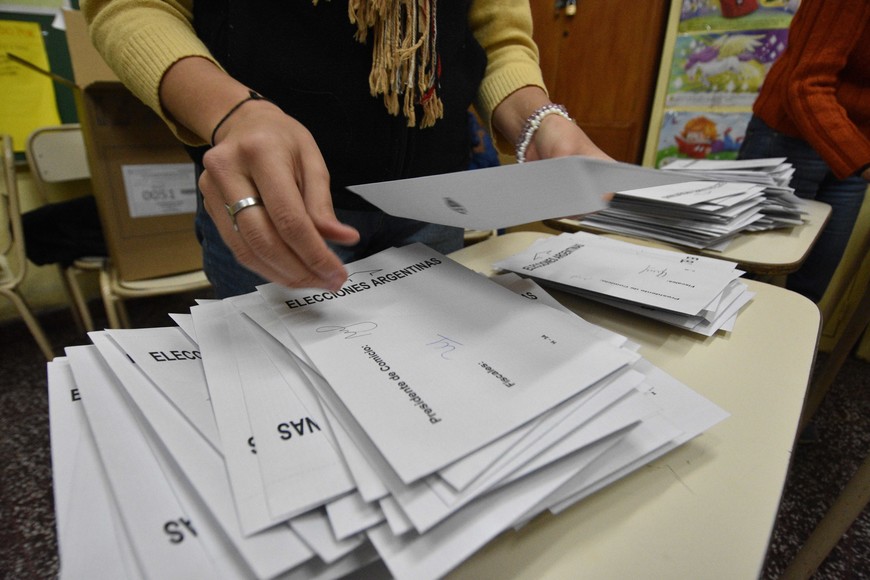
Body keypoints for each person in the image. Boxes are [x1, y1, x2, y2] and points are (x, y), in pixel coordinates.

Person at [80, 0, 612, 298]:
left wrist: (536, 119)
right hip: (279, 198)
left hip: (435, 200)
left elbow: (495, 36)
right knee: (291, 402)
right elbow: (133, 7)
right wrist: (232, 111)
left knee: (431, 378)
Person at [738, 0, 870, 303]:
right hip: (789, 136)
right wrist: (861, 157)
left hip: (855, 150)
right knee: (745, 274)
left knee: (810, 290)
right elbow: (805, 83)